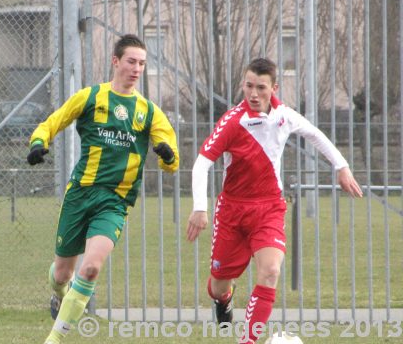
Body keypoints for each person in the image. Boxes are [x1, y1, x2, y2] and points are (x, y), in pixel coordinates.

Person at [185, 58, 363, 344]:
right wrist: (199, 208)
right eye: (248, 86)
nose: (253, 94)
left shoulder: (284, 115)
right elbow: (202, 163)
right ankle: (224, 300)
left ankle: (248, 340)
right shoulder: (233, 121)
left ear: (274, 88)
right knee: (218, 285)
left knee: (270, 270)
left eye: (261, 88)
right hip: (231, 211)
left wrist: (341, 166)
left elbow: (315, 135)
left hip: (268, 208)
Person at [27, 34, 179, 344]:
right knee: (62, 275)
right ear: (116, 61)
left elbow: (172, 160)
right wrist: (38, 143)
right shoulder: (90, 97)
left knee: (92, 267)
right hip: (80, 194)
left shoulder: (149, 111)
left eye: (142, 64)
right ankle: (58, 294)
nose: (137, 69)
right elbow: (53, 122)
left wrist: (166, 154)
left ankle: (53, 339)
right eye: (131, 62)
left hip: (115, 201)